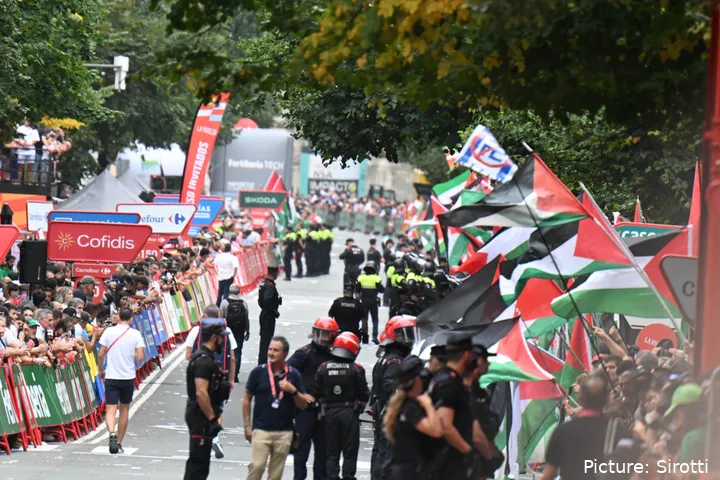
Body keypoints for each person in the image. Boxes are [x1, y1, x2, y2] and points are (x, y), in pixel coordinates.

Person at [542, 373, 635, 480]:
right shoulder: (619, 429)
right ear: (607, 399)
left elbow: (548, 475)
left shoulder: (563, 431)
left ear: (580, 398)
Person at [244, 336, 309, 480]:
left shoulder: (293, 375)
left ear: (285, 354)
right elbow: (247, 398)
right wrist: (247, 426)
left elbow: (303, 404)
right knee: (257, 466)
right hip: (261, 430)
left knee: (275, 475)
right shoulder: (259, 372)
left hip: (284, 432)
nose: (271, 353)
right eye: (270, 349)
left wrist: (293, 391)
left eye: (276, 350)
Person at [287, 317, 339, 480]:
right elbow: (286, 374)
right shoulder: (304, 353)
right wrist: (299, 394)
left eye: (327, 335)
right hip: (305, 409)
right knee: (301, 449)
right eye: (321, 334)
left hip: (326, 409)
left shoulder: (336, 356)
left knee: (323, 450)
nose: (324, 339)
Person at [314, 332, 370, 480]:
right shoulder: (356, 369)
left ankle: (332, 476)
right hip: (349, 412)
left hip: (330, 412)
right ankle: (348, 476)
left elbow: (316, 391)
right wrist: (359, 408)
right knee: (350, 450)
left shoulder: (323, 367)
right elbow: (364, 394)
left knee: (332, 451)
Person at [370, 316, 417, 480]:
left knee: (380, 449)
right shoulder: (395, 361)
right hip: (389, 410)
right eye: (404, 334)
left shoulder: (386, 357)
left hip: (382, 409)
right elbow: (389, 386)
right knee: (386, 451)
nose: (408, 339)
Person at [382, 355, 443, 478]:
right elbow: (436, 430)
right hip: (408, 472)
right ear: (417, 380)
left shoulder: (402, 403)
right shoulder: (410, 408)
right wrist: (428, 405)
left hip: (400, 470)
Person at [183, 323, 229, 480]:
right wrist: (212, 418)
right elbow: (201, 392)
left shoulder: (206, 359)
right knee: (198, 463)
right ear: (214, 338)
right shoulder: (204, 362)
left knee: (201, 463)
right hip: (200, 418)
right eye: (222, 338)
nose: (224, 342)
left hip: (202, 416)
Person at [427, 336, 477, 479]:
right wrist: (468, 452)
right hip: (446, 461)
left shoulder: (442, 378)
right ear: (466, 355)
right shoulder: (450, 383)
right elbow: (445, 425)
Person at [98, 307, 146, 455]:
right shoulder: (135, 334)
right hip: (128, 376)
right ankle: (118, 442)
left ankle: (111, 432)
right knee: (124, 409)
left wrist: (101, 370)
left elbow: (100, 354)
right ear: (131, 319)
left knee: (110, 409)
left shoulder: (109, 332)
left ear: (118, 317)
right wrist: (130, 356)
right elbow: (140, 356)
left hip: (112, 375)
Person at [224, 285, 250, 383]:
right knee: (238, 351)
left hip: (227, 330)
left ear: (229, 291)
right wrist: (247, 331)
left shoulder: (225, 302)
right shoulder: (244, 304)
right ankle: (235, 374)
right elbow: (246, 319)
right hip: (239, 330)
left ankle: (227, 372)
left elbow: (221, 317)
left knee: (227, 351)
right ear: (239, 292)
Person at [258, 266, 282, 365]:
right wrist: (273, 311)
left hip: (264, 314)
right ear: (274, 273)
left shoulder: (263, 284)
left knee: (264, 340)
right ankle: (262, 363)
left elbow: (260, 301)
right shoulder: (270, 286)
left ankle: (262, 362)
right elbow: (266, 300)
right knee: (266, 341)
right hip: (268, 316)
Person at [356, 261, 384, 344]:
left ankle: (365, 337)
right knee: (375, 319)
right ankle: (374, 337)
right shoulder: (376, 278)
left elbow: (357, 290)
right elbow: (382, 290)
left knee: (364, 319)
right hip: (373, 300)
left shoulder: (361, 277)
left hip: (363, 300)